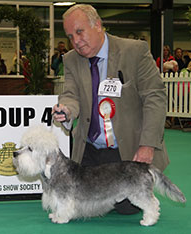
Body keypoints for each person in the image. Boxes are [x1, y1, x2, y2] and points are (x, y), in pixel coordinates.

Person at [52, 4, 169, 215]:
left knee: (127, 207)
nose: (76, 41)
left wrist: (147, 145)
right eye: (70, 36)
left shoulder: (134, 51)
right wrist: (67, 110)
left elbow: (155, 97)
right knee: (75, 204)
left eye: (80, 32)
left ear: (97, 25)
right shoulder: (70, 59)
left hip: (125, 150)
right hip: (89, 150)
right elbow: (70, 94)